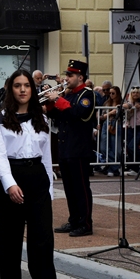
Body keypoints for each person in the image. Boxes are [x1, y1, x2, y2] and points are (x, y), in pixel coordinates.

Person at [0, 69, 63, 279]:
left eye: (27, 86)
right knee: (10, 242)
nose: (22, 89)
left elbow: (46, 156)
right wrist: (10, 185)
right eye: (17, 85)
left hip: (38, 180)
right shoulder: (0, 119)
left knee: (42, 241)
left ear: (33, 89)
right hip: (12, 179)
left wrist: (49, 191)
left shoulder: (41, 118)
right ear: (11, 90)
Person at [46, 60, 97, 237]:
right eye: (66, 75)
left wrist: (58, 99)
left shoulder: (87, 94)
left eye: (70, 75)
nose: (66, 78)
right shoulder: (67, 95)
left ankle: (86, 224)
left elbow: (79, 113)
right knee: (69, 187)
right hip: (65, 147)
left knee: (81, 188)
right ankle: (74, 220)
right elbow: (55, 115)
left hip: (79, 148)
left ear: (80, 77)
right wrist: (51, 101)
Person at [123, 87, 140, 172]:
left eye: (137, 92)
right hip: (130, 127)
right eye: (133, 93)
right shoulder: (129, 103)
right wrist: (132, 110)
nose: (135, 94)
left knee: (132, 146)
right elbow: (127, 116)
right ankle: (134, 167)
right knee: (129, 147)